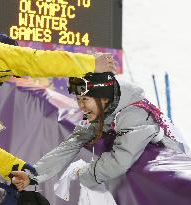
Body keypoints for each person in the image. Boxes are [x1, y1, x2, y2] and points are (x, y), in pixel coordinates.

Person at [0, 18, 115, 205]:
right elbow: (32, 60)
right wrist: (90, 64)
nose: (8, 78)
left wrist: (14, 167)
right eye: (9, 73)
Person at [13, 72, 191, 205]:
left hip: (175, 177)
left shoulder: (133, 115)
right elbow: (72, 144)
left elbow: (120, 161)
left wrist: (83, 174)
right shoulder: (105, 107)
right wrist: (33, 175)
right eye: (78, 100)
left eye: (85, 100)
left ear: (103, 98)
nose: (81, 106)